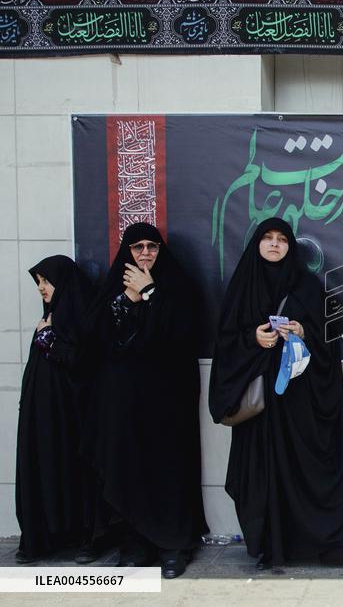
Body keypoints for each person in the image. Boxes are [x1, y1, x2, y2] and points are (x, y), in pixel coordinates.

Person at [209, 218, 343, 577]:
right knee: (265, 475)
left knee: (315, 473)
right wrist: (253, 340)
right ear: (256, 244)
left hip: (302, 406)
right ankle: (272, 546)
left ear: (290, 247)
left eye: (281, 239)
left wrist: (304, 331)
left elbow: (329, 338)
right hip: (263, 409)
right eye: (267, 238)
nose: (273, 244)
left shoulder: (307, 287)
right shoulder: (242, 288)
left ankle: (340, 543)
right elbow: (224, 343)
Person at [83, 223, 207, 579]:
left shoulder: (177, 286)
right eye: (137, 247)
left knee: (168, 468)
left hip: (169, 400)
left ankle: (173, 545)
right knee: (129, 467)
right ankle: (137, 542)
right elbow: (93, 336)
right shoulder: (114, 288)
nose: (145, 253)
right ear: (127, 252)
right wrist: (127, 300)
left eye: (152, 246)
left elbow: (182, 330)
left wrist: (151, 291)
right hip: (123, 401)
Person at [15, 256, 94, 563]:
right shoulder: (48, 319)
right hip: (42, 418)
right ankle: (43, 537)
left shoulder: (78, 320)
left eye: (46, 281)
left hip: (70, 417)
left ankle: (81, 536)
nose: (42, 288)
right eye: (39, 282)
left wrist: (49, 339)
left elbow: (82, 363)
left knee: (73, 472)